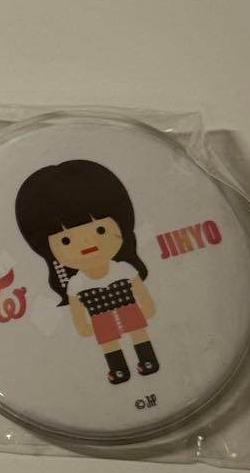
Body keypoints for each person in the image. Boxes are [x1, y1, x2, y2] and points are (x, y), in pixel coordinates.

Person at [15, 158, 159, 386]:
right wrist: (82, 325)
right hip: (100, 316)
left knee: (138, 332)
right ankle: (119, 370)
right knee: (109, 342)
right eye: (66, 240)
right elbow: (76, 308)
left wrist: (148, 306)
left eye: (100, 230)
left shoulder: (122, 269)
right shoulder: (76, 283)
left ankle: (148, 360)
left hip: (128, 307)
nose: (85, 243)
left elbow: (139, 289)